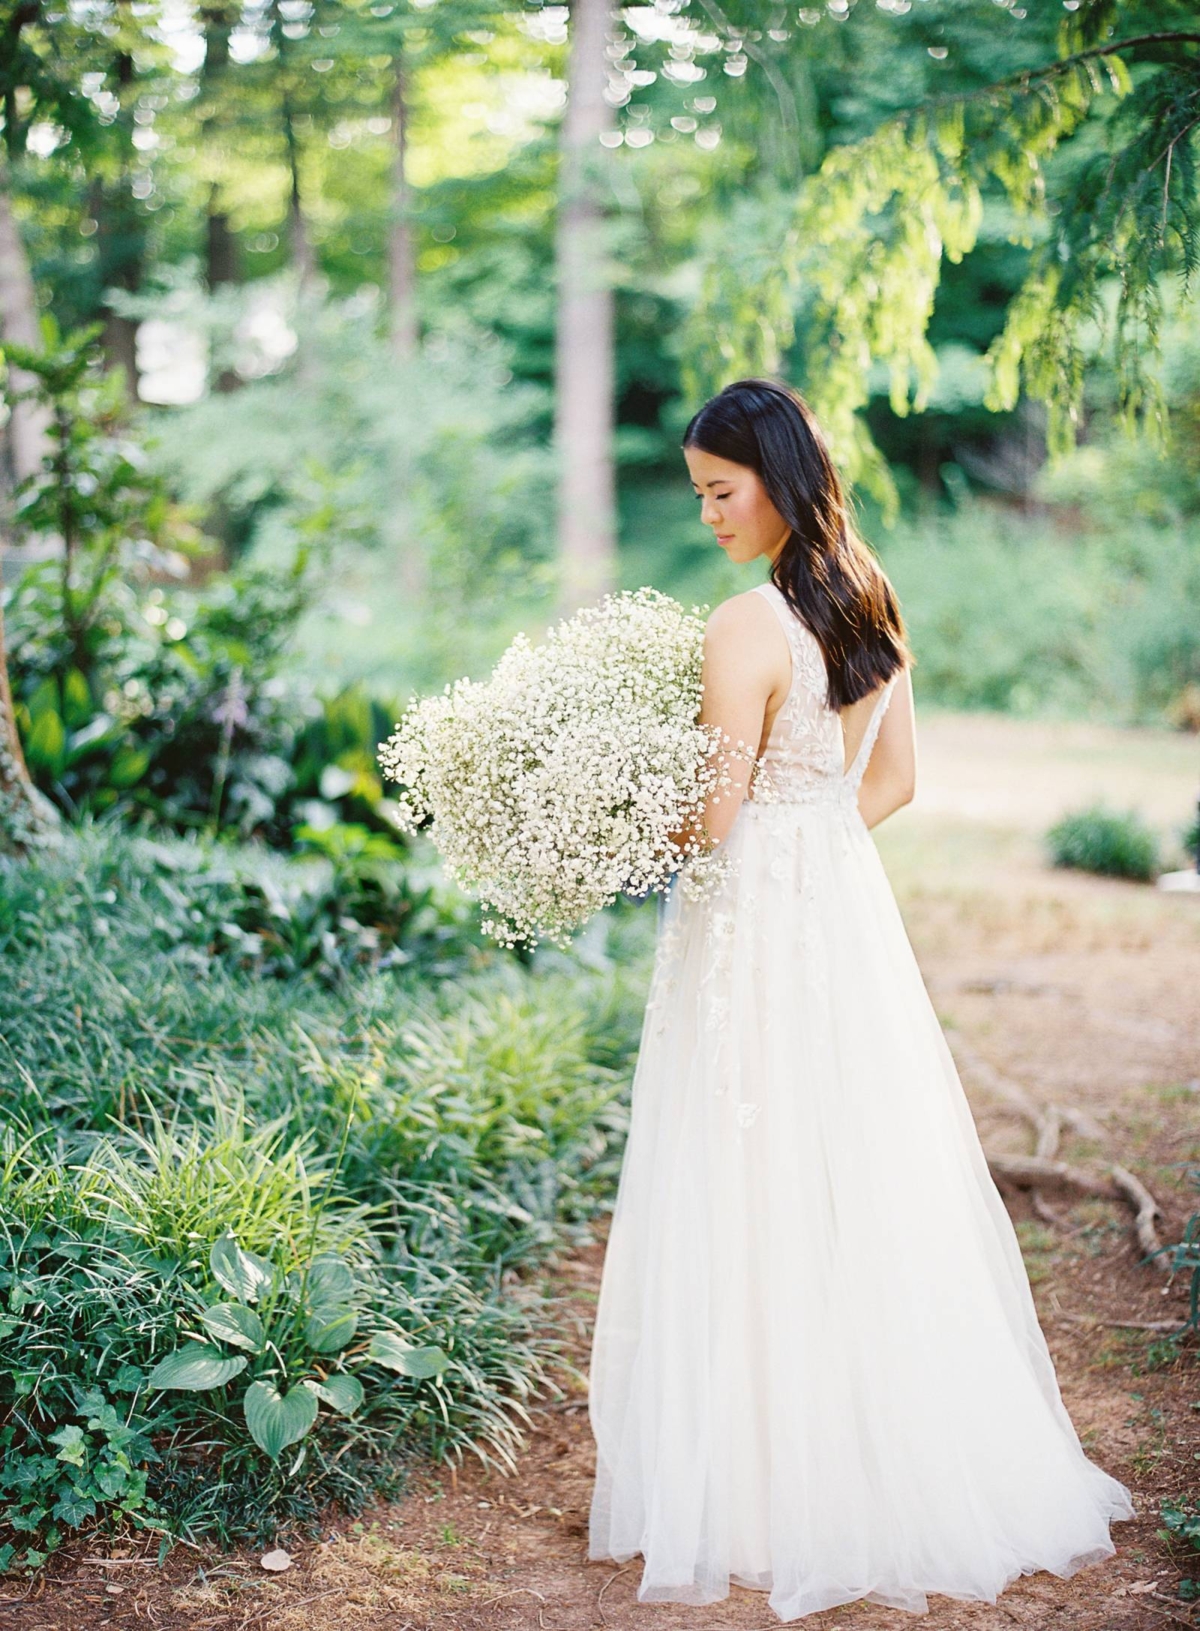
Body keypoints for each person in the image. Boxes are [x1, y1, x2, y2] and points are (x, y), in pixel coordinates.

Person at [586, 378, 1134, 1623]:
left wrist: (616, 833)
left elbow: (715, 814)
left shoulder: (741, 625)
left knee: (748, 1163)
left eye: (722, 490)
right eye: (699, 495)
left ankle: (767, 1478)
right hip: (841, 915)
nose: (710, 512)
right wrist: (812, 836)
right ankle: (879, 1449)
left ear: (777, 476)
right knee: (851, 1162)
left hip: (753, 927)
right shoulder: (868, 598)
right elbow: (893, 781)